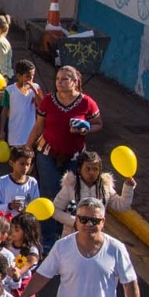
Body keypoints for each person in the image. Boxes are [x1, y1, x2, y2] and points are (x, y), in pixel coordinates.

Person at [27, 65, 102, 249]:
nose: (59, 82)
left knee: (69, 200)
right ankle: (47, 241)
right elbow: (39, 126)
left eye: (64, 79)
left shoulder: (87, 102)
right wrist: (28, 149)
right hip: (47, 155)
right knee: (50, 197)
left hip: (74, 159)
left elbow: (98, 124)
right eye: (57, 79)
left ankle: (66, 239)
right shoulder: (48, 101)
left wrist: (85, 128)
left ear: (75, 82)